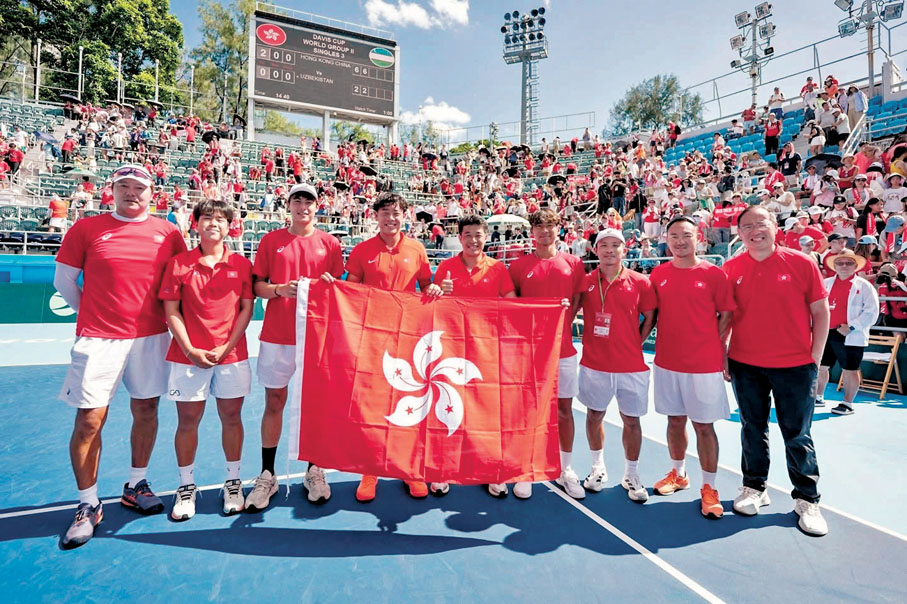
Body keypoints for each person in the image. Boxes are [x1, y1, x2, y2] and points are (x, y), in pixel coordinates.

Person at [54, 164, 186, 548]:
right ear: (111, 190)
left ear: (152, 193)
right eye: (123, 186)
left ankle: (135, 484)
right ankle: (88, 503)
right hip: (99, 340)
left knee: (146, 410)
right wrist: (93, 316)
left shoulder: (168, 233)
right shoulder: (86, 229)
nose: (131, 193)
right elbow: (64, 281)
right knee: (89, 421)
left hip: (151, 338)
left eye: (139, 187)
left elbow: (180, 284)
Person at [724, 205, 830, 536]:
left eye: (761, 223)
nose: (755, 231)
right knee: (752, 428)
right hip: (745, 364)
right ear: (739, 233)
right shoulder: (731, 268)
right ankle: (754, 487)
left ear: (774, 226)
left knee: (797, 434)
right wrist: (723, 353)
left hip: (795, 366)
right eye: (747, 226)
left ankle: (807, 499)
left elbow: (820, 311)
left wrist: (814, 358)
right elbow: (726, 316)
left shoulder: (801, 262)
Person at [246, 183, 345, 511]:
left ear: (317, 206)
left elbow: (339, 288)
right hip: (278, 335)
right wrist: (279, 290)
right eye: (297, 200)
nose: (303, 206)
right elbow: (257, 286)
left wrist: (331, 286)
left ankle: (314, 470)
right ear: (288, 205)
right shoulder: (270, 241)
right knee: (274, 401)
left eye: (309, 201)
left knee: (314, 404)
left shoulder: (330, 244)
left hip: (316, 336)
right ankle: (267, 474)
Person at [159, 199, 254, 520]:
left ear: (229, 227)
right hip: (188, 358)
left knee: (232, 417)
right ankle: (186, 487)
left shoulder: (242, 264)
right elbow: (171, 310)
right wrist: (190, 350)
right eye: (207, 218)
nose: (213, 223)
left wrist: (227, 347)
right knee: (187, 422)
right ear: (196, 223)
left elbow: (246, 308)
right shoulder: (179, 264)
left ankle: (233, 483)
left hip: (232, 356)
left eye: (220, 219)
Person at [346, 192, 443, 502]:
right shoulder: (362, 250)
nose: (391, 218)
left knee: (409, 402)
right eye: (385, 212)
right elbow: (350, 290)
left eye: (396, 212)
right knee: (373, 404)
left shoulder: (417, 249)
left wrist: (433, 287)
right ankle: (370, 470)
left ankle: (409, 468)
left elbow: (426, 285)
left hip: (408, 337)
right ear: (376, 216)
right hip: (372, 339)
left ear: (405, 215)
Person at [650, 217, 735, 519]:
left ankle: (709, 488)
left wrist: (710, 343)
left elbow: (726, 314)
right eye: (674, 236)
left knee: (703, 426)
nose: (680, 241)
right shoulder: (658, 273)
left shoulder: (714, 274)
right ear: (666, 240)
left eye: (686, 235)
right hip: (667, 361)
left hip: (703, 364)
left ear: (698, 238)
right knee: (675, 421)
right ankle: (679, 473)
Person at [433, 215, 516, 497]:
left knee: (487, 411)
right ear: (459, 237)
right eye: (467, 235)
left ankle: (490, 469)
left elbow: (513, 305)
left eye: (478, 234)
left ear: (486, 237)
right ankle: (443, 468)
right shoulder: (445, 267)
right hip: (452, 349)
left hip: (486, 350)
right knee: (448, 407)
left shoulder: (498, 268)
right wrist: (439, 292)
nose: (473, 240)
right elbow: (433, 306)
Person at [509, 208, 585, 500]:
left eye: (550, 227)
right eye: (539, 228)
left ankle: (566, 468)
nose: (544, 232)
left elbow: (577, 298)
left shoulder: (573, 263)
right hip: (529, 352)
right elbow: (513, 303)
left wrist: (561, 322)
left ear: (557, 230)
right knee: (529, 411)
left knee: (564, 410)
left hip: (563, 351)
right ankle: (526, 468)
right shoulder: (519, 266)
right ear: (532, 233)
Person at [576, 228, 656, 501]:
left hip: (630, 365)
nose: (609, 250)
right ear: (595, 250)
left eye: (615, 245)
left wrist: (635, 342)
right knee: (594, 415)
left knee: (631, 420)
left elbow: (650, 317)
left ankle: (631, 474)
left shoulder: (641, 281)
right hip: (594, 364)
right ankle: (597, 467)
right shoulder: (585, 282)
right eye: (604, 245)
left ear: (624, 249)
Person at [815, 249, 879, 415]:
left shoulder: (864, 286)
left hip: (849, 334)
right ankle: (818, 397)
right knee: (821, 367)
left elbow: (871, 312)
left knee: (850, 370)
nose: (844, 266)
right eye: (840, 263)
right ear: (834, 266)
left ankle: (847, 403)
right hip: (826, 332)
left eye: (849, 263)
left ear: (855, 266)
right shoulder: (825, 283)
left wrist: (851, 327)